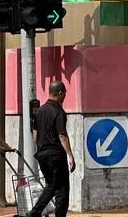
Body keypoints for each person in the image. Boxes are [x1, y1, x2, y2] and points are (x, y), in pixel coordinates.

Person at [28, 81, 75, 217]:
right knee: (62, 190)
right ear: (60, 93)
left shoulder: (39, 111)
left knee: (52, 185)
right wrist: (70, 155)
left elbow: (35, 134)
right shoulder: (58, 111)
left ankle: (34, 213)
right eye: (64, 93)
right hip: (56, 155)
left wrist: (40, 148)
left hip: (42, 155)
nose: (65, 96)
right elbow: (62, 135)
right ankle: (36, 213)